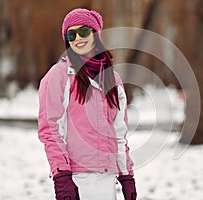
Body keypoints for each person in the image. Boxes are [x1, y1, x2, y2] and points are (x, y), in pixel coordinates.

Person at [38, 8, 137, 200]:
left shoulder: (112, 79)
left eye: (84, 31)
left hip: (107, 178)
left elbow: (119, 134)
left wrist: (127, 176)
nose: (77, 38)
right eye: (71, 34)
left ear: (96, 34)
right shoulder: (59, 75)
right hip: (76, 178)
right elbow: (50, 130)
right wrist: (62, 176)